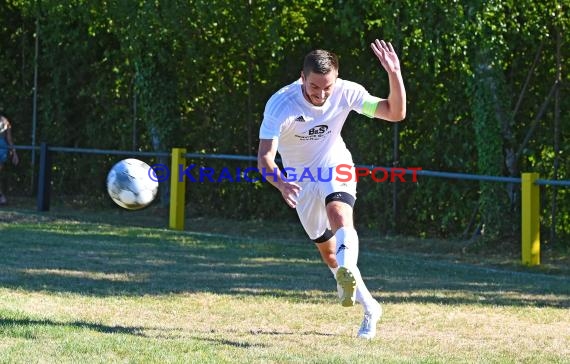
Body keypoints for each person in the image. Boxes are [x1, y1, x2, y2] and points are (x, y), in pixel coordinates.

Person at [257, 39, 406, 339]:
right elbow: (264, 159)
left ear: (336, 79)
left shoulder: (346, 92)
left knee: (339, 214)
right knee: (328, 254)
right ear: (302, 77)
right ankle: (370, 306)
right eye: (315, 87)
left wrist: (394, 73)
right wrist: (281, 182)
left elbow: (394, 112)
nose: (321, 94)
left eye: (328, 87)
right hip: (299, 180)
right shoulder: (280, 104)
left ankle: (347, 270)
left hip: (334, 163)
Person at [0, 114, 20, 205]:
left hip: (2, 149)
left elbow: (9, 139)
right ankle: (2, 197)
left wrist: (14, 153)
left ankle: (2, 197)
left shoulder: (4, 121)